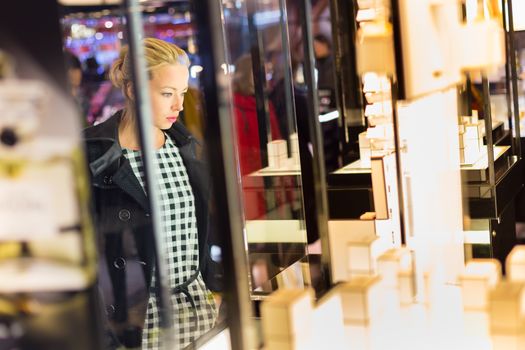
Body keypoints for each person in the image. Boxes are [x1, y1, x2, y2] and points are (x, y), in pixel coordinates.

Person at [83, 38, 221, 349]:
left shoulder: (186, 147)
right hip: (136, 319)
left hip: (197, 309)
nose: (179, 105)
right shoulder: (94, 154)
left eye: (182, 93)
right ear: (133, 91)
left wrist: (216, 285)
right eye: (167, 94)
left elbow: (201, 230)